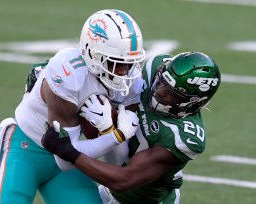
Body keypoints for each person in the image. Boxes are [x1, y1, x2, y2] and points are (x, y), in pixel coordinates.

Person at [0, 9, 145, 204]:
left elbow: (118, 159)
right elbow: (64, 154)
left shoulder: (132, 81)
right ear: (91, 53)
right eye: (115, 63)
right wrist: (115, 135)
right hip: (26, 151)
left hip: (66, 166)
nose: (123, 72)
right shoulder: (68, 73)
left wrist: (110, 132)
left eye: (128, 63)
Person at [41, 52, 221, 204]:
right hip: (109, 188)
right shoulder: (153, 69)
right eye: (160, 83)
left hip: (144, 199)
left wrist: (67, 151)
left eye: (171, 95)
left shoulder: (182, 137)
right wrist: (48, 74)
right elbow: (109, 76)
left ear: (191, 103)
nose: (158, 92)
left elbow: (124, 179)